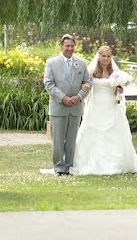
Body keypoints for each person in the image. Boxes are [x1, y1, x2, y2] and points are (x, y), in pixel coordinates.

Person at [71, 45, 137, 175]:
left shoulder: (115, 72)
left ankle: (115, 162)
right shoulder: (92, 72)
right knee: (93, 133)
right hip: (96, 105)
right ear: (99, 57)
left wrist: (120, 89)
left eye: (108, 56)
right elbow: (86, 87)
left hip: (111, 105)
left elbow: (119, 91)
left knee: (114, 134)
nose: (106, 59)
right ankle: (89, 162)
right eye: (103, 56)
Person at [43, 34, 92, 176]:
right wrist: (63, 98)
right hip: (58, 107)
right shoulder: (51, 63)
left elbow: (88, 82)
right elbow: (48, 84)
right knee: (58, 141)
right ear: (61, 46)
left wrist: (79, 97)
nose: (70, 48)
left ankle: (69, 166)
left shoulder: (81, 63)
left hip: (76, 108)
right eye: (67, 46)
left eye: (72, 46)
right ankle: (59, 167)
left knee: (71, 141)